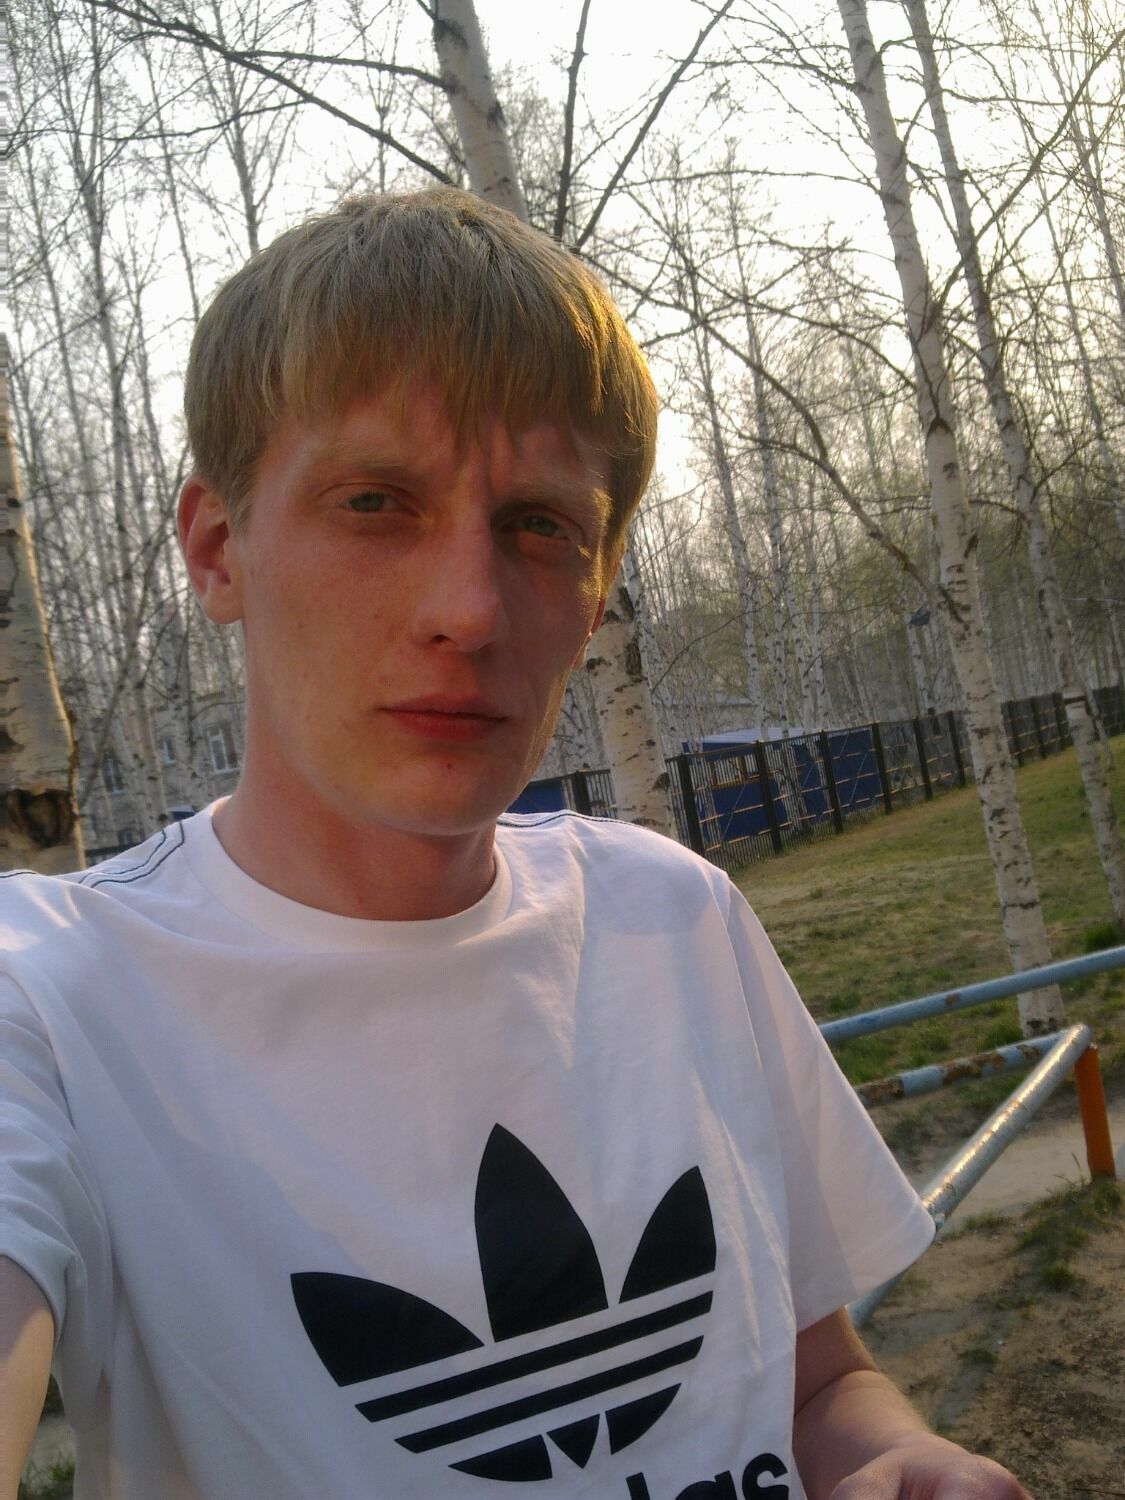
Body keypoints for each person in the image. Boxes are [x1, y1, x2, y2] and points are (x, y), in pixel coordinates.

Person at [1, 189, 1027, 1500]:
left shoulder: (673, 917)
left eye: (541, 525)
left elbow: (813, 1380)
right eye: (376, 502)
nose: (470, 609)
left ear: (596, 589)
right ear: (216, 551)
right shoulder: (52, 1003)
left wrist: (895, 1457)